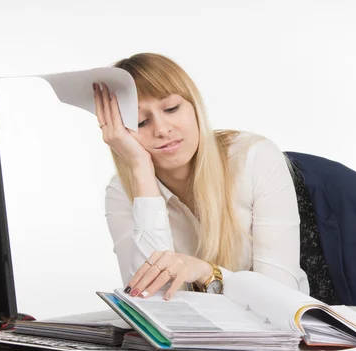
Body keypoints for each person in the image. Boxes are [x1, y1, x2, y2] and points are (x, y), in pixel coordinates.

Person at [94, 53, 308, 300]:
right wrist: (141, 169)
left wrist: (205, 273)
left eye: (172, 108)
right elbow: (150, 302)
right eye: (140, 122)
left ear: (194, 105)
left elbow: (280, 297)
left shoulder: (254, 158)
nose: (162, 129)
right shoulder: (122, 191)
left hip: (276, 334)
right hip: (187, 337)